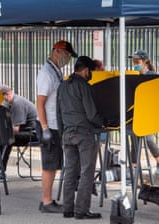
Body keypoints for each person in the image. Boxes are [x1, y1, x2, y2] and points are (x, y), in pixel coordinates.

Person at [57, 56, 103, 219]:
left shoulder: (62, 86)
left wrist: (62, 133)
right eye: (91, 71)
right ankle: (81, 210)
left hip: (67, 134)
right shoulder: (84, 86)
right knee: (86, 172)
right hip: (84, 134)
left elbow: (58, 112)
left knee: (70, 172)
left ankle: (67, 209)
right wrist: (102, 124)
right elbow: (91, 114)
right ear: (85, 70)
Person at [37, 40, 77, 213]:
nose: (68, 59)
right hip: (49, 125)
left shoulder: (56, 71)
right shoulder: (47, 73)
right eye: (68, 55)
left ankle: (48, 200)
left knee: (54, 163)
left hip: (55, 125)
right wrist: (45, 128)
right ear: (58, 52)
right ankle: (46, 202)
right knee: (49, 164)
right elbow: (40, 102)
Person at [128, 50, 159, 175]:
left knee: (149, 139)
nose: (135, 64)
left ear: (145, 62)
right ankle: (133, 168)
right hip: (136, 112)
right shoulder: (134, 75)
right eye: (133, 61)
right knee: (135, 140)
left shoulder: (151, 75)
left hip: (148, 113)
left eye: (137, 61)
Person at [0, 85, 37, 170]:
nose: (1, 101)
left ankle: (0, 170)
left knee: (7, 138)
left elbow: (16, 129)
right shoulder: (10, 103)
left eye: (1, 98)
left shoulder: (17, 103)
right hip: (25, 131)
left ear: (7, 94)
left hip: (33, 133)